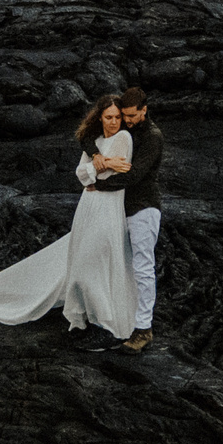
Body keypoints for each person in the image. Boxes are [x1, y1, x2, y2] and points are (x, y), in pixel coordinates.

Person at [0, 97, 138, 337]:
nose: (113, 122)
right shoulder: (96, 142)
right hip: (87, 206)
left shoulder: (123, 138)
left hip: (108, 205)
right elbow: (81, 175)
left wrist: (98, 167)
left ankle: (104, 321)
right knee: (81, 261)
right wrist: (98, 166)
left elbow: (114, 174)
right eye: (108, 117)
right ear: (99, 117)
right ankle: (88, 317)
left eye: (117, 117)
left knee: (96, 259)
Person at [82, 87, 163, 353]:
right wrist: (96, 156)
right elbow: (88, 136)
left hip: (143, 208)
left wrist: (98, 186)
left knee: (142, 267)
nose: (126, 120)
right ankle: (117, 319)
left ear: (144, 110)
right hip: (118, 210)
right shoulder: (125, 130)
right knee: (118, 265)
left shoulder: (151, 137)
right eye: (123, 116)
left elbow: (135, 175)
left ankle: (143, 330)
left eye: (131, 116)